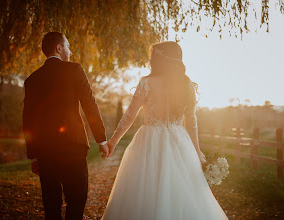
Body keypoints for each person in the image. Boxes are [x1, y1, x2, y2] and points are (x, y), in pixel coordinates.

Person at [102, 41, 228, 220]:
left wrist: (112, 141)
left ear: (159, 59)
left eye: (153, 57)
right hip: (180, 141)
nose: (150, 61)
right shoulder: (186, 86)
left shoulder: (146, 83)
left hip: (149, 140)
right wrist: (197, 151)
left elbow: (129, 115)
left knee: (146, 188)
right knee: (180, 190)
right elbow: (191, 122)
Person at [23, 32, 109, 220]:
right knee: (77, 198)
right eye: (68, 46)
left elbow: (28, 120)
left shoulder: (32, 80)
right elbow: (89, 105)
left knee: (51, 202)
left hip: (45, 150)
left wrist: (33, 154)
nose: (70, 51)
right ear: (59, 48)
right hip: (73, 145)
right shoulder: (75, 70)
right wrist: (101, 139)